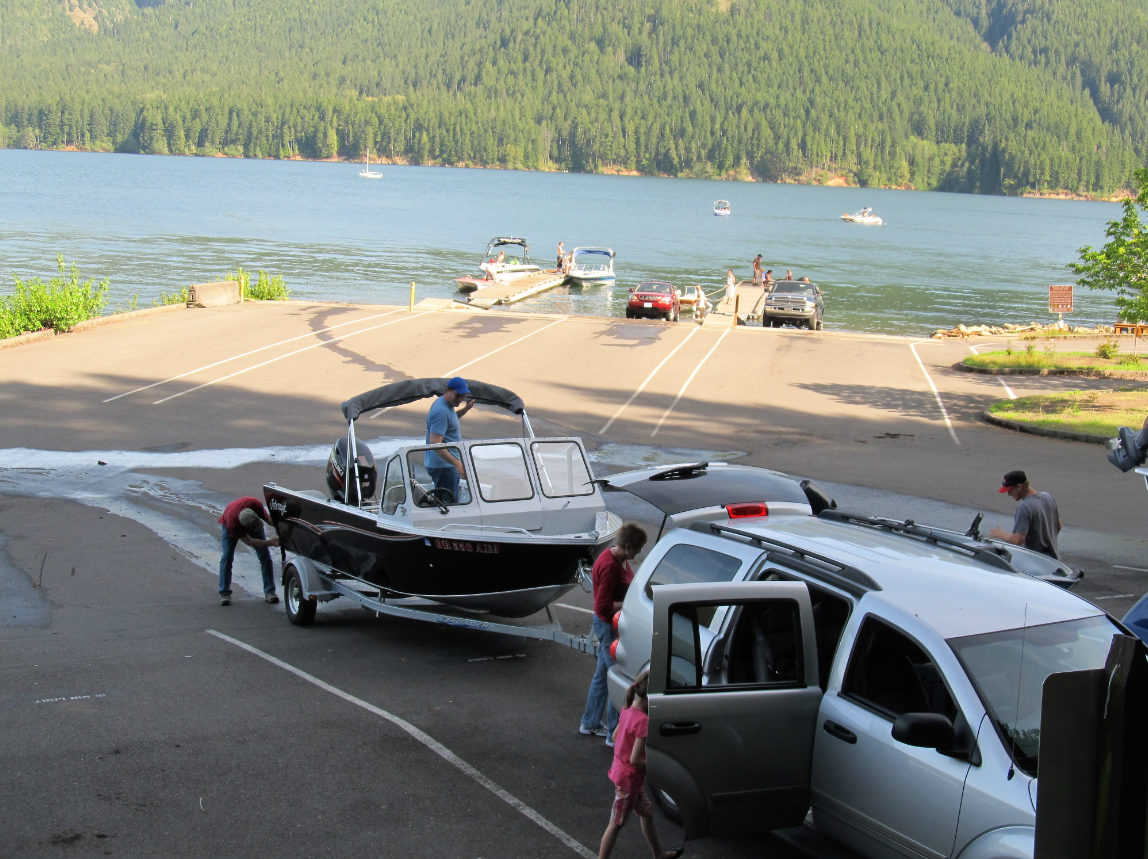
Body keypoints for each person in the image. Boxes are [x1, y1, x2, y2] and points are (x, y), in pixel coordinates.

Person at [597, 671, 683, 859]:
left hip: (623, 773)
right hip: (629, 780)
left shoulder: (627, 709)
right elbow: (636, 760)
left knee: (647, 812)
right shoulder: (643, 721)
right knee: (616, 824)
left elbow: (615, 736)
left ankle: (658, 853)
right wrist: (657, 765)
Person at [581, 523, 648, 745]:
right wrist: (628, 604)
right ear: (628, 545)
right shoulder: (610, 566)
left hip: (608, 625)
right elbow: (602, 607)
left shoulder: (617, 558)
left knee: (602, 676)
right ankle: (613, 734)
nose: (637, 554)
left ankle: (590, 722)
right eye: (637, 550)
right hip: (607, 626)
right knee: (617, 678)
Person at [218, 497, 280, 606]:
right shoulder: (233, 524)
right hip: (228, 526)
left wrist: (283, 527)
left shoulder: (253, 503)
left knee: (265, 557)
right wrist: (269, 542)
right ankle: (224, 593)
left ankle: (270, 592)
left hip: (248, 518)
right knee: (227, 557)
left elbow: (268, 519)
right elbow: (249, 541)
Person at [989, 470, 1062, 559]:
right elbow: (1058, 526)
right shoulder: (1047, 497)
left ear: (1019, 486)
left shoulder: (1024, 507)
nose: (1008, 494)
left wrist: (999, 534)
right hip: (1054, 561)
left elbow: (1017, 540)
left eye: (1010, 490)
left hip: (1037, 563)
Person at [425, 377, 475, 503]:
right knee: (448, 506)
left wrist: (465, 409)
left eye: (463, 396)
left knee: (447, 502)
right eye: (458, 395)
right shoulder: (441, 411)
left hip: (446, 465)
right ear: (447, 390)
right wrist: (457, 464)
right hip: (444, 467)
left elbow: (450, 421)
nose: (460, 399)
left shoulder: (445, 404)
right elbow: (435, 444)